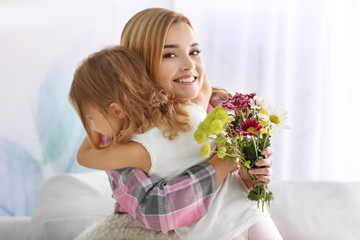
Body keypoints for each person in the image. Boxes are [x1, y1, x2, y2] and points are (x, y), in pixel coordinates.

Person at [73, 8, 282, 240]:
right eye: (169, 55)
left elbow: (240, 190)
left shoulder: (217, 104)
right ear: (138, 68)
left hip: (248, 219)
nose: (189, 64)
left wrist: (252, 173)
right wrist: (221, 164)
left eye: (195, 51)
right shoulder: (124, 133)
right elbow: (157, 211)